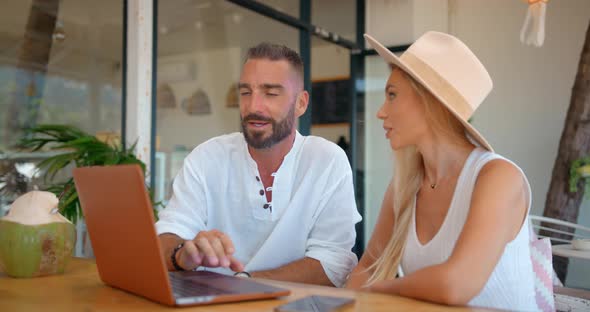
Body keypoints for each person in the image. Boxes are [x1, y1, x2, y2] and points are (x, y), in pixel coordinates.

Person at [346, 32, 537, 310]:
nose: (380, 112)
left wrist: (383, 289)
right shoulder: (404, 186)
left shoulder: (499, 177)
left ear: (430, 101)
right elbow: (369, 267)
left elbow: (456, 285)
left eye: (392, 95)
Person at [156, 42, 361, 287]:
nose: (253, 106)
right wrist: (181, 253)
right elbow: (164, 238)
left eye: (271, 93)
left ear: (301, 103)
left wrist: (242, 284)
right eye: (245, 92)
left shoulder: (327, 160)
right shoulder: (207, 157)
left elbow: (334, 263)